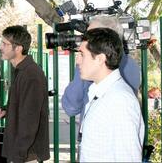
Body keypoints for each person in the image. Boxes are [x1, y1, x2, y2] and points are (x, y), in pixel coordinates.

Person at [77, 27, 144, 162]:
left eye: (82, 55)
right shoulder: (103, 93)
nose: (78, 60)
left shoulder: (120, 101)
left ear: (100, 59)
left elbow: (128, 158)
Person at [0, 25, 50, 163]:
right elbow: (24, 106)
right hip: (22, 153)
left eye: (5, 44)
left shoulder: (30, 74)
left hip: (27, 155)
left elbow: (29, 120)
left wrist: (18, 156)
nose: (0, 47)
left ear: (18, 48)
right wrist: (5, 111)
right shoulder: (22, 71)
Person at [61, 15, 141, 117]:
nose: (85, 40)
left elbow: (71, 107)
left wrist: (82, 66)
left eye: (92, 36)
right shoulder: (133, 65)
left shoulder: (96, 67)